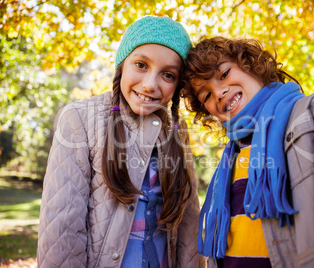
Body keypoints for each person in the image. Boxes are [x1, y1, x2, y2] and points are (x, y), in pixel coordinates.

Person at [182, 36, 314, 267]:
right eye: (207, 95)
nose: (219, 92)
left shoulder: (310, 114)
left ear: (250, 64)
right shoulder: (230, 157)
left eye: (223, 74)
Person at [37, 16, 204, 268]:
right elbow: (62, 226)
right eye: (140, 64)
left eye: (168, 75)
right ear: (121, 65)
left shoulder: (177, 131)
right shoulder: (81, 119)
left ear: (178, 85)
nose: (150, 85)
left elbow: (188, 223)